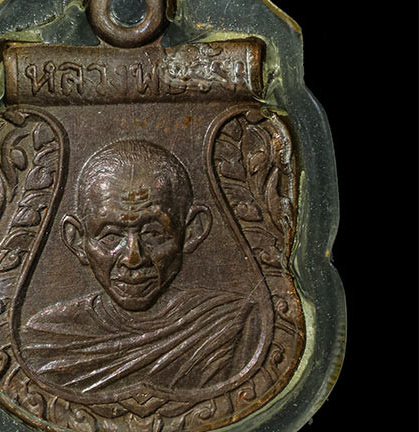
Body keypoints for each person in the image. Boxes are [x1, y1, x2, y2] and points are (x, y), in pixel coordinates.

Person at [19, 140, 260, 401]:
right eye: (111, 236)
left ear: (191, 231)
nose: (133, 258)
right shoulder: (46, 338)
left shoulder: (236, 324)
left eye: (154, 234)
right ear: (77, 240)